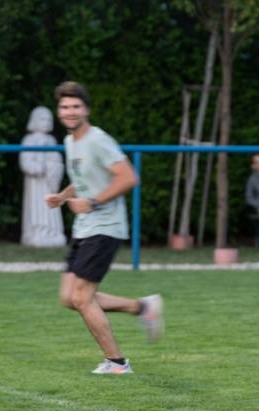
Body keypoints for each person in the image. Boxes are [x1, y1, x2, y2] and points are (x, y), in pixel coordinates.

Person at [45, 81, 164, 374]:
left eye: (75, 106)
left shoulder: (99, 140)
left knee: (82, 297)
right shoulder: (70, 142)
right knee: (69, 297)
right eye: (64, 107)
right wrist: (63, 196)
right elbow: (84, 179)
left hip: (105, 226)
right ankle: (143, 308)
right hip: (85, 227)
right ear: (59, 111)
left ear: (86, 109)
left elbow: (128, 177)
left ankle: (117, 363)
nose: (70, 112)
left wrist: (93, 202)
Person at [20, 106, 66, 247]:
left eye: (48, 120)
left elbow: (56, 158)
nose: (46, 123)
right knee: (37, 208)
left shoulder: (51, 140)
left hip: (49, 182)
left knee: (51, 208)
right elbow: (25, 162)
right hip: (35, 183)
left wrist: (54, 166)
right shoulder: (28, 140)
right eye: (42, 119)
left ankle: (52, 233)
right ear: (34, 121)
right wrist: (40, 168)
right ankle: (36, 233)